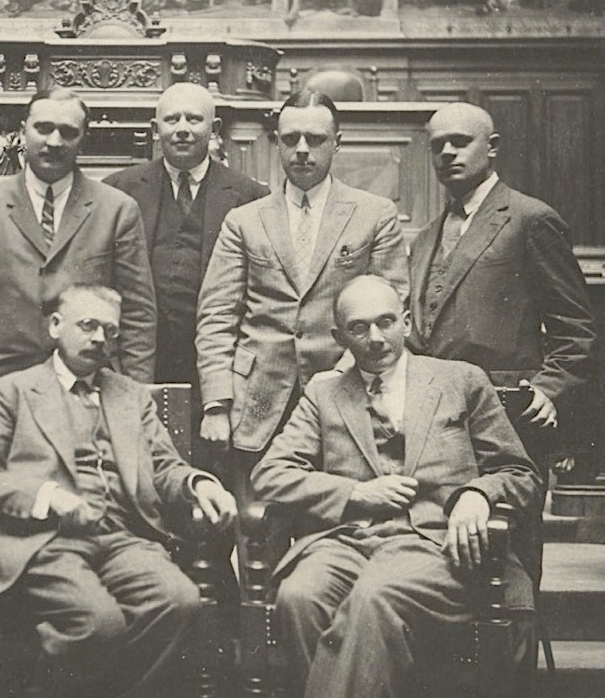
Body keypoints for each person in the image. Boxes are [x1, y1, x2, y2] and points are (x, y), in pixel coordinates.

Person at [251, 274, 541, 697]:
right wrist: (354, 493)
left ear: (406, 322)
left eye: (386, 322)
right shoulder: (324, 394)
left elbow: (520, 473)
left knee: (376, 596)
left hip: (435, 543)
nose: (375, 338)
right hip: (346, 542)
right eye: (358, 327)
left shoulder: (460, 380)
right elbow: (270, 474)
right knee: (300, 596)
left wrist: (477, 495)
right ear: (339, 336)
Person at [0, 283, 237, 698]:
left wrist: (200, 483)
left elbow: (164, 466)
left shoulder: (131, 396)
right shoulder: (11, 391)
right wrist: (46, 496)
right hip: (47, 541)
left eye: (110, 331)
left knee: (179, 600)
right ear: (54, 326)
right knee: (98, 623)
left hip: (124, 537)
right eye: (88, 326)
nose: (100, 338)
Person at [196, 90, 409, 510]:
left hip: (345, 391)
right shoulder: (244, 220)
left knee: (333, 534)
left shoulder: (374, 214)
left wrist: (346, 373)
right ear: (276, 141)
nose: (302, 151)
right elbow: (216, 315)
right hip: (257, 401)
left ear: (337, 142)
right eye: (291, 139)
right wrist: (216, 404)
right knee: (258, 535)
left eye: (315, 139)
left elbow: (393, 305)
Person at [409, 102, 596, 480]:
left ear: (492, 147)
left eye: (460, 142)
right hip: (435, 417)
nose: (447, 153)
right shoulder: (426, 236)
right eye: (438, 145)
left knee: (511, 531)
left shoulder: (530, 219)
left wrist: (548, 388)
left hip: (508, 414)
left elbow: (577, 328)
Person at [0, 88, 156, 412]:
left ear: (83, 139)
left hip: (92, 385)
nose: (54, 142)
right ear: (22, 131)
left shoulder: (117, 210)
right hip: (1, 384)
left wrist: (134, 394)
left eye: (68, 132)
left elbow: (138, 312)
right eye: (43, 128)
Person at [104, 82, 270, 407]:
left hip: (220, 368)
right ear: (155, 129)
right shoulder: (118, 191)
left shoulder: (251, 198)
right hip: (135, 363)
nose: (182, 129)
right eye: (172, 120)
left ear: (214, 128)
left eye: (193, 119)